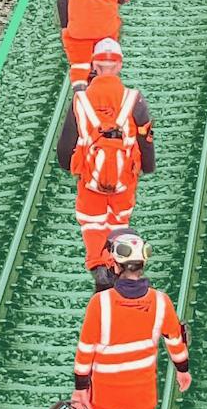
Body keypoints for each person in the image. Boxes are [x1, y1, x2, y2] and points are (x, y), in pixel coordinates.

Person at [72, 231, 191, 409]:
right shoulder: (161, 302)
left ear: (114, 264)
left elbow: (85, 350)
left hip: (105, 393)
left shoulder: (99, 304)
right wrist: (183, 370)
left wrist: (80, 388)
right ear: (142, 264)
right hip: (141, 395)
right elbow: (175, 340)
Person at [57, 40, 154, 288]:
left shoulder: (81, 101)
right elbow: (146, 136)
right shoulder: (134, 99)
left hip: (90, 179)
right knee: (118, 222)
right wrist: (148, 166)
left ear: (94, 65)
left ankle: (98, 266)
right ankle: (115, 265)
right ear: (119, 65)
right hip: (124, 179)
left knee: (92, 223)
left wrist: (69, 165)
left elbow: (66, 143)